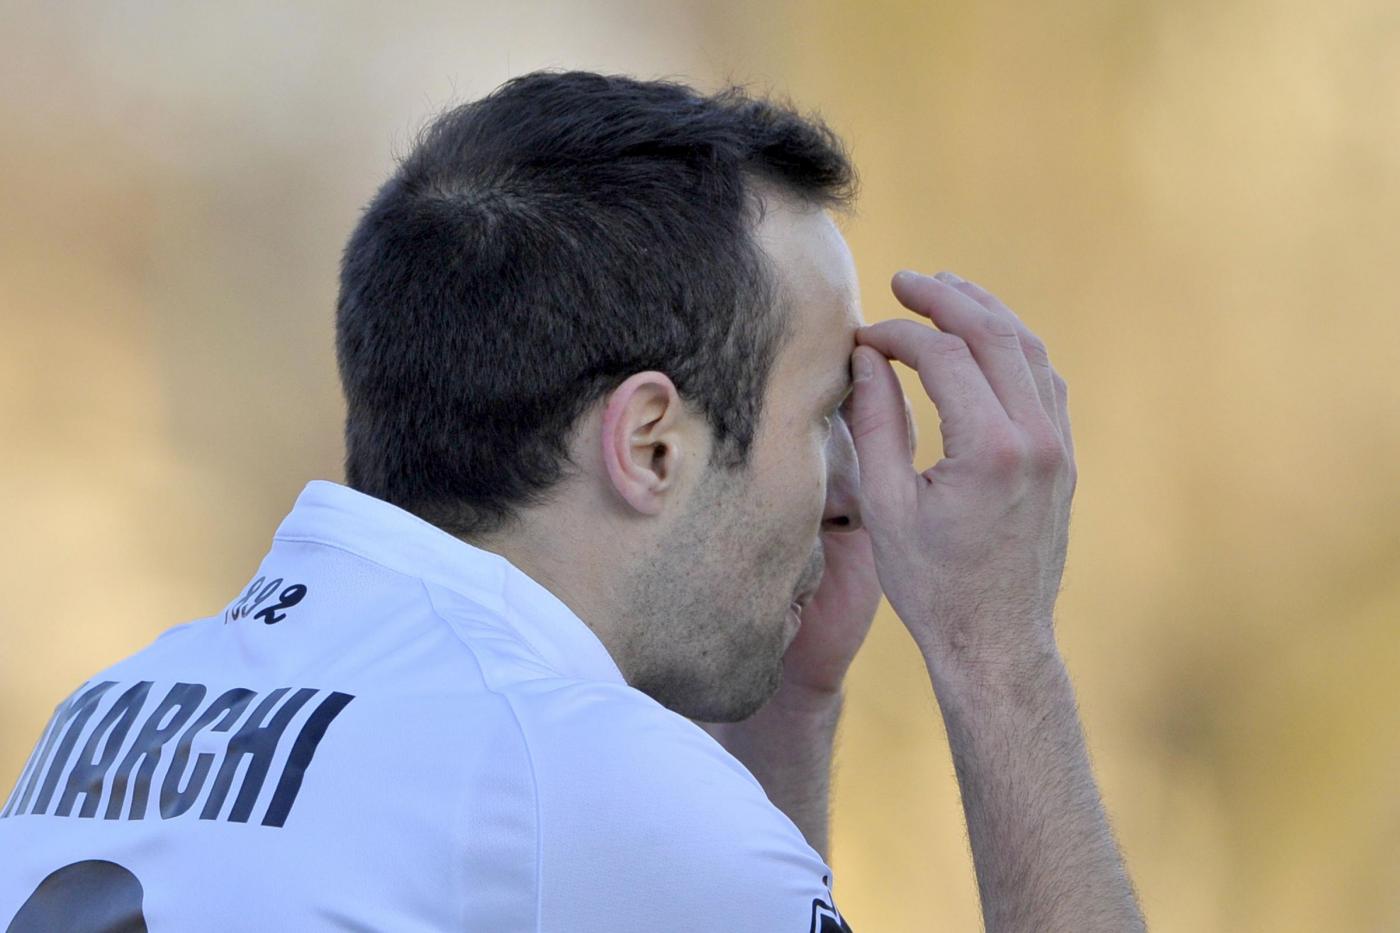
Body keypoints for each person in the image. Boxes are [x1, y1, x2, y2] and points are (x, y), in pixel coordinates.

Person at [0, 70, 1145, 931]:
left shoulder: (112, 710)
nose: (847, 483)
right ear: (650, 444)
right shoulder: (577, 778)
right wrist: (998, 654)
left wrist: (786, 704)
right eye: (822, 416)